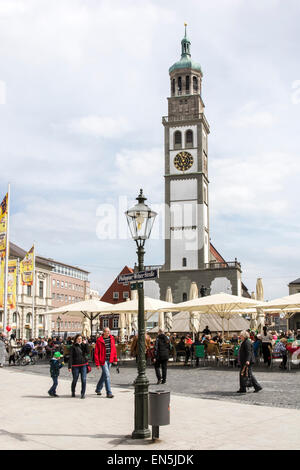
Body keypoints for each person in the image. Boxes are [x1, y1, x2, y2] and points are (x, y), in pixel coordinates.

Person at [94, 327, 117, 398]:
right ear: (103, 332)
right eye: (107, 332)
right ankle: (109, 393)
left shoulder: (112, 338)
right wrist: (97, 363)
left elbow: (114, 349)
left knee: (104, 375)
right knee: (107, 375)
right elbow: (96, 353)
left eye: (109, 331)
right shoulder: (99, 340)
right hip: (103, 360)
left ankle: (98, 389)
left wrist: (115, 359)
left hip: (109, 360)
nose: (108, 333)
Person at [68, 334, 89, 399]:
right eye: (78, 338)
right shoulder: (73, 347)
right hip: (75, 365)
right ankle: (73, 391)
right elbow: (70, 357)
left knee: (84, 379)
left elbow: (88, 352)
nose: (80, 340)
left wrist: (86, 344)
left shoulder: (83, 345)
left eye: (81, 338)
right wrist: (69, 366)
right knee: (75, 379)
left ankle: (83, 393)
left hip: (83, 364)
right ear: (76, 339)